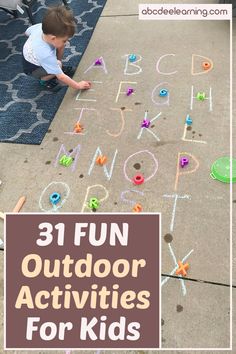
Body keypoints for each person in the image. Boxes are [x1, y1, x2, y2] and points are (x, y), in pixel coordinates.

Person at [22, 5, 91, 92]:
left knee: (59, 53)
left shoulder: (40, 27)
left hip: (33, 59)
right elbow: (61, 77)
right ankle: (44, 79)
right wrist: (78, 85)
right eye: (64, 40)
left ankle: (55, 68)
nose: (67, 42)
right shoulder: (45, 54)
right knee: (58, 64)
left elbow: (27, 32)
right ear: (53, 38)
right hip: (33, 69)